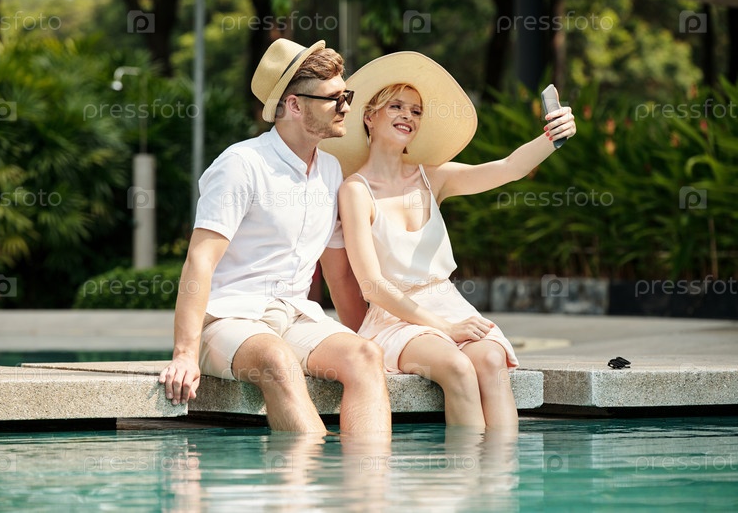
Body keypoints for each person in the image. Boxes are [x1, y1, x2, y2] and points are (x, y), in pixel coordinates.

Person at [321, 52, 577, 430]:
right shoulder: (355, 191)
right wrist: (443, 327)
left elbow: (508, 168)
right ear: (369, 116)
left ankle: (503, 467)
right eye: (396, 106)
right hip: (396, 318)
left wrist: (552, 137)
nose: (408, 116)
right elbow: (372, 286)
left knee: (491, 361)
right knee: (457, 366)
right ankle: (463, 467)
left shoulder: (432, 177)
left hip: (449, 304)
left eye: (416, 111)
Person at [158, 39, 392, 435]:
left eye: (347, 96)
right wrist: (184, 354)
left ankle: (368, 475)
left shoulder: (331, 171)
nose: (347, 107)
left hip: (295, 316)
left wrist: (365, 337)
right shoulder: (241, 165)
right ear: (295, 105)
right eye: (334, 98)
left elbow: (337, 274)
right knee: (277, 360)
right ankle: (308, 468)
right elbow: (200, 260)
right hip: (229, 319)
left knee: (367, 357)